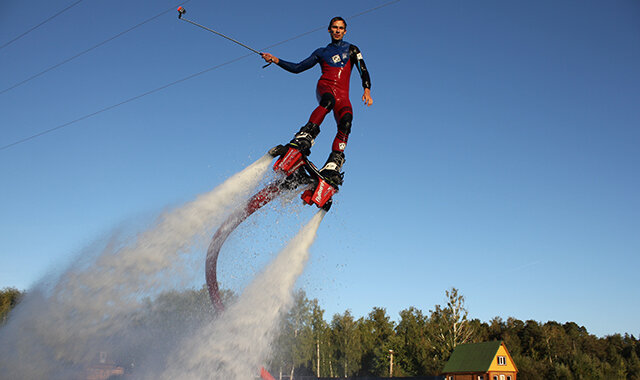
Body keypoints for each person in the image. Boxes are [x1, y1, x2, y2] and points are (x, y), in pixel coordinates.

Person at [261, 16, 372, 185]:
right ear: (329, 30)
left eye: (340, 28)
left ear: (345, 31)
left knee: (347, 122)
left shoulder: (352, 49)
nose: (337, 30)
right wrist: (275, 60)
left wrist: (367, 90)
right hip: (326, 88)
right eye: (334, 27)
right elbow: (298, 68)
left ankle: (334, 162)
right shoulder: (321, 52)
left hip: (343, 95)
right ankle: (306, 135)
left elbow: (363, 69)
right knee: (328, 102)